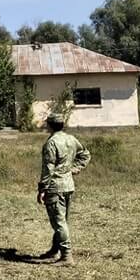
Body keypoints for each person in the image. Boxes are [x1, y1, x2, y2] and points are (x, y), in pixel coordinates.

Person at [36, 112, 90, 266]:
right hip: (68, 185)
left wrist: (42, 189)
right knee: (62, 220)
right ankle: (55, 249)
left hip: (55, 187)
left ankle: (66, 256)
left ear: (50, 125)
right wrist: (74, 169)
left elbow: (48, 169)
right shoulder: (71, 139)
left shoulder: (51, 143)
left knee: (59, 222)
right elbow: (85, 154)